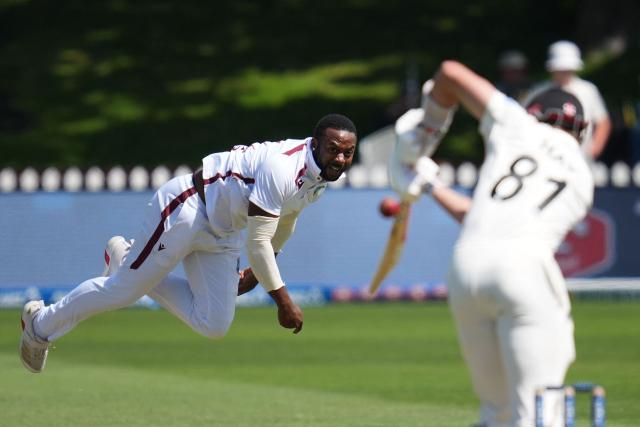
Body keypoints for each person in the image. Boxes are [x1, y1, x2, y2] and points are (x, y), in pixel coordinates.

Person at [19, 114, 358, 373]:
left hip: (223, 231)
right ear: (315, 144)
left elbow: (287, 220)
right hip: (188, 207)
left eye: (348, 153)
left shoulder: (320, 176)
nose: (340, 159)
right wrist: (282, 300)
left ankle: (125, 257)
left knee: (214, 324)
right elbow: (258, 242)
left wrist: (255, 275)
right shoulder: (282, 167)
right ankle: (39, 325)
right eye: (333, 150)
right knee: (123, 291)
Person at [389, 61, 593, 426]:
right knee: (537, 412)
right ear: (581, 131)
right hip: (524, 271)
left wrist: (426, 134)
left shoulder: (516, 124)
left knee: (496, 413)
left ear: (533, 113)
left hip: (466, 268)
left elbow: (449, 72)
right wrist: (430, 180)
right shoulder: (582, 179)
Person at [523, 40, 611, 160]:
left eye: (568, 69)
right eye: (561, 69)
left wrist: (594, 149)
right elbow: (523, 118)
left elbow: (603, 122)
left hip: (581, 156)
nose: (565, 73)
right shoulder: (539, 91)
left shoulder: (588, 90)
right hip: (545, 156)